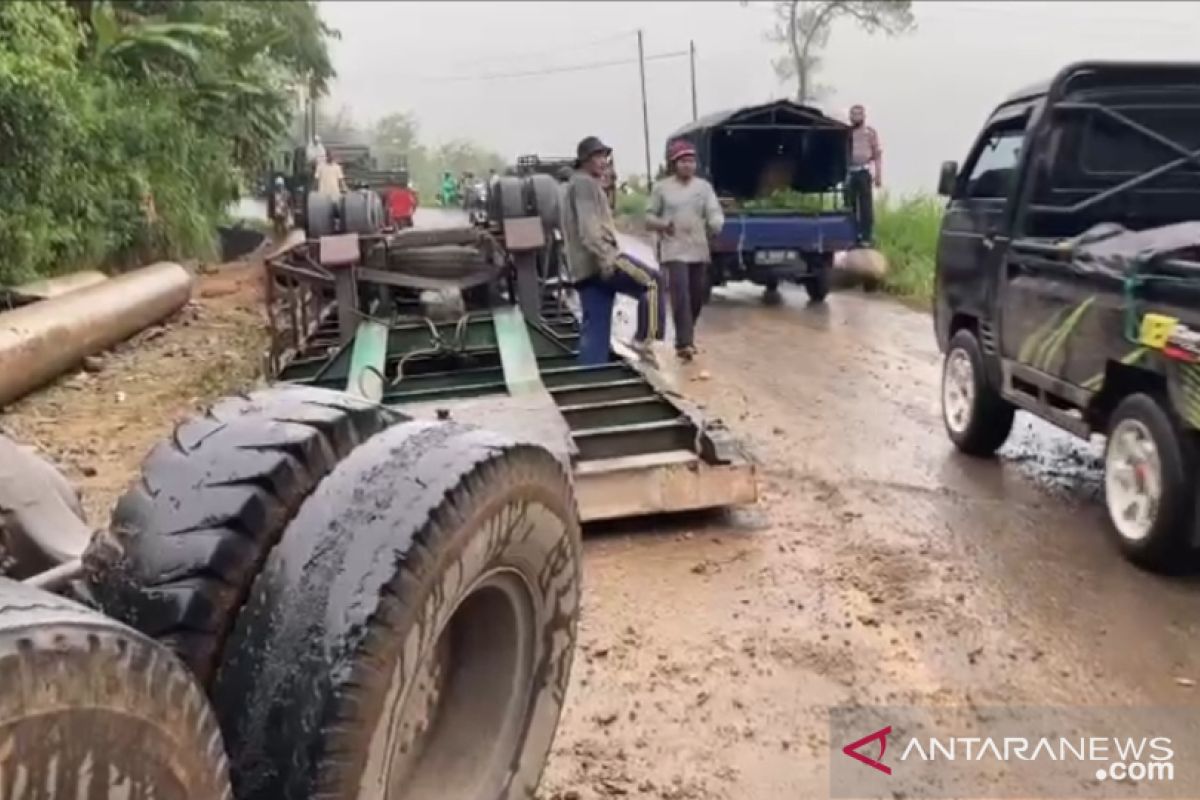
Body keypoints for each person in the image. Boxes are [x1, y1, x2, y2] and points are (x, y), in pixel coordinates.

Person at [561, 135, 664, 367]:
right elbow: (589, 232)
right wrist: (608, 258)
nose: (603, 161)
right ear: (584, 160)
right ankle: (643, 341)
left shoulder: (574, 186)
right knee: (654, 282)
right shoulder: (584, 184)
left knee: (595, 331)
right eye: (598, 157)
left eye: (604, 156)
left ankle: (590, 378)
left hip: (584, 271)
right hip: (599, 262)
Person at [646, 139, 725, 362]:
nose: (687, 165)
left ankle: (687, 333)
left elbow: (713, 210)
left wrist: (716, 223)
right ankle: (684, 343)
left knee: (697, 295)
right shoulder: (661, 188)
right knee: (681, 295)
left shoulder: (703, 188)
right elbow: (649, 216)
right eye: (683, 161)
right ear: (674, 163)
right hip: (674, 248)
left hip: (698, 247)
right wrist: (663, 225)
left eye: (691, 161)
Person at [846, 104, 882, 247]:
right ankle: (852, 235)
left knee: (866, 206)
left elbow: (877, 154)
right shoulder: (847, 133)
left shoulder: (870, 132)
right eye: (853, 114)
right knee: (849, 205)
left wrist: (879, 175)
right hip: (850, 172)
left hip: (864, 171)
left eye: (858, 114)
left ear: (863, 116)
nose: (856, 117)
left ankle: (867, 236)